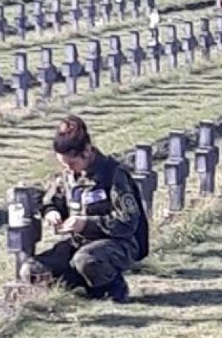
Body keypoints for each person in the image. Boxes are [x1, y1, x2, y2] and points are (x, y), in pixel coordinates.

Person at [25, 115, 148, 303]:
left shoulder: (113, 175)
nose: (69, 169)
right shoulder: (68, 175)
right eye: (64, 165)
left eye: (72, 163)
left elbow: (127, 222)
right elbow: (51, 200)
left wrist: (86, 224)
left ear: (87, 151)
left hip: (117, 243)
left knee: (85, 260)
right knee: (33, 269)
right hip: (78, 243)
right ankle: (80, 285)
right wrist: (51, 212)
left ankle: (112, 289)